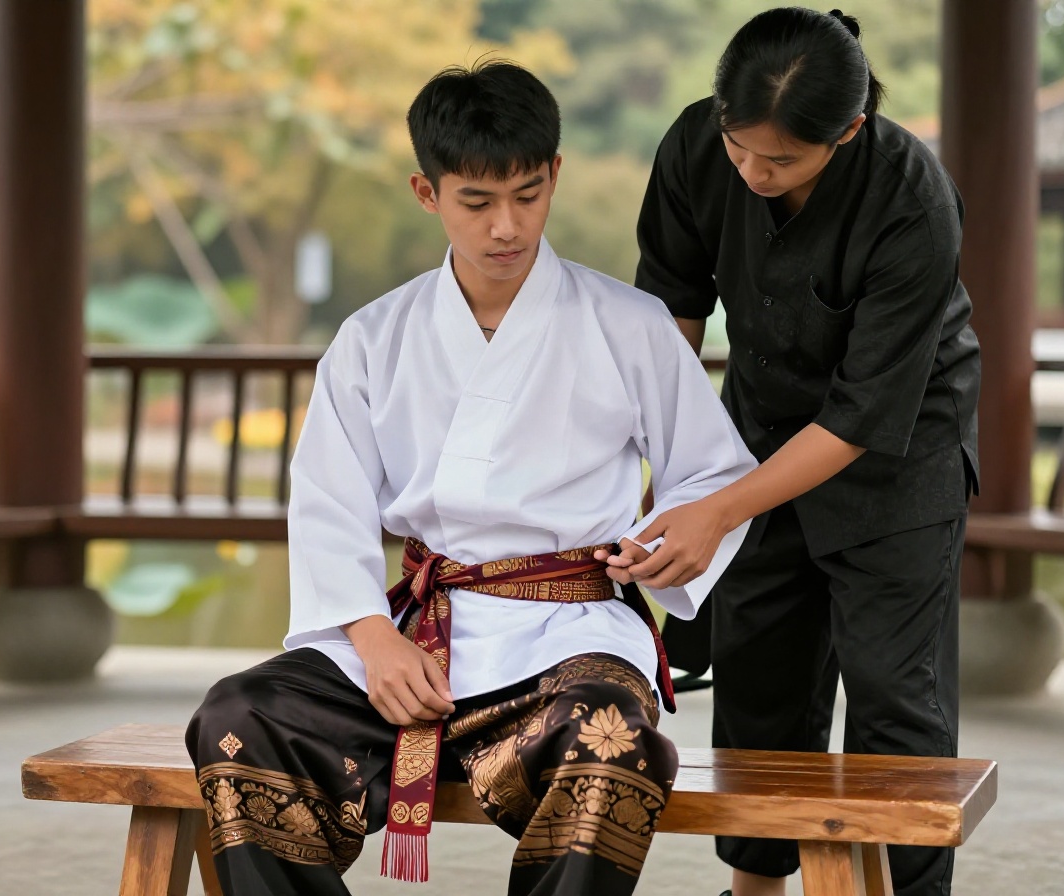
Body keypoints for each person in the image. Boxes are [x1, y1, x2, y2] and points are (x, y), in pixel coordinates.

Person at [185, 60, 759, 896]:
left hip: (571, 632)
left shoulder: (628, 326)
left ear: (555, 174)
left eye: (528, 195)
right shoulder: (374, 337)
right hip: (415, 637)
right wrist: (370, 638)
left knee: (612, 740)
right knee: (239, 715)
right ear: (428, 192)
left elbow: (708, 474)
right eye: (477, 202)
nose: (507, 227)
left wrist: (672, 538)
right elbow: (328, 501)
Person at [621, 9, 981, 896]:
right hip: (755, 430)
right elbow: (670, 314)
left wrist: (720, 508)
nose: (752, 173)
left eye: (779, 162)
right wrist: (676, 471)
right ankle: (754, 891)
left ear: (849, 130)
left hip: (902, 450)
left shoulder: (913, 200)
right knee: (759, 678)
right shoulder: (699, 147)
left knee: (898, 701)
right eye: (740, 148)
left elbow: (862, 415)